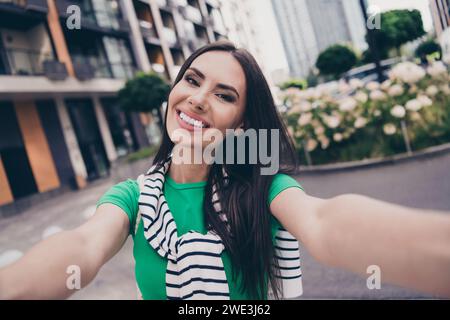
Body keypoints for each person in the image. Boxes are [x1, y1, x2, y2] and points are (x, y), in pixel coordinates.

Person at [1, 41, 449, 300]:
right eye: (192, 80)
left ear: (243, 123)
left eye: (224, 95)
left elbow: (326, 223)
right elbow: (81, 247)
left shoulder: (267, 188)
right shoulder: (133, 197)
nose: (197, 98)